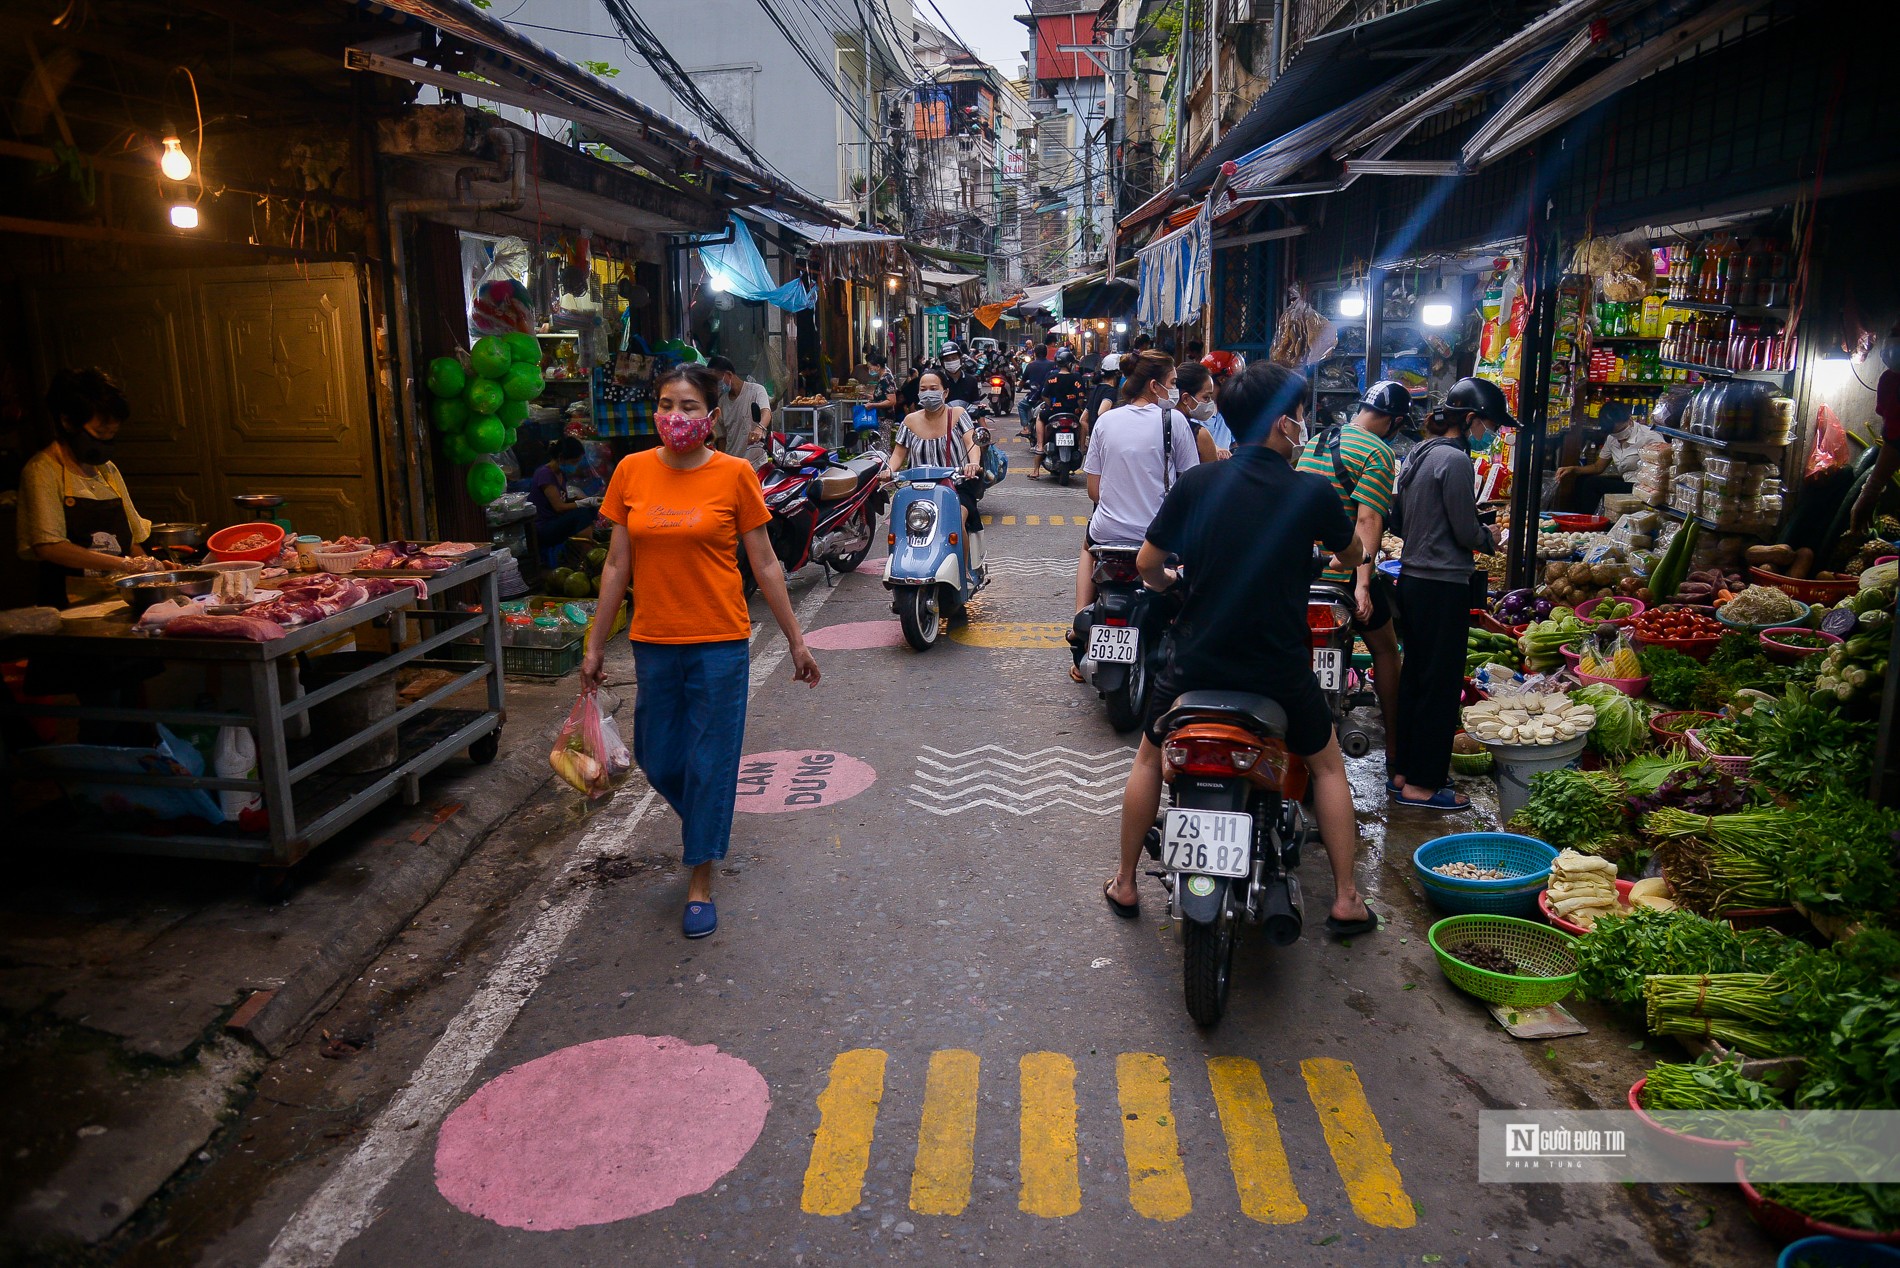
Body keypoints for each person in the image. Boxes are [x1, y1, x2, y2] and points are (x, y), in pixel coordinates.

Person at [1101, 361, 1374, 936]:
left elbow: (1149, 564)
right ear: (1282, 425)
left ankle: (1125, 881)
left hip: (1195, 663)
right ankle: (1347, 899)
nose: (1303, 427)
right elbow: (1353, 555)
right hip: (1277, 670)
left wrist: (1171, 584)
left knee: (1149, 757)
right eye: (1299, 417)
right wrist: (1327, 560)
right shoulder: (1311, 491)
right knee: (1327, 767)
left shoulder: (1199, 484)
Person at [581, 362, 821, 940]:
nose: (675, 416)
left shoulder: (736, 474)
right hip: (654, 642)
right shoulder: (631, 472)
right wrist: (594, 643)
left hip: (720, 644)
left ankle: (700, 878)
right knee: (658, 757)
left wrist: (795, 639)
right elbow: (617, 563)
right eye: (667, 404)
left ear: (711, 418)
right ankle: (706, 822)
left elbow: (764, 562)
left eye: (689, 406)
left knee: (711, 763)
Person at [1389, 377, 1514, 811]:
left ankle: (1403, 772)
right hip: (1443, 584)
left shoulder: (1418, 453)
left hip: (1413, 579)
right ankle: (1423, 785)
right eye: (1491, 425)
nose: (1491, 434)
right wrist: (1490, 533)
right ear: (1471, 418)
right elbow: (1465, 530)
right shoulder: (1456, 461)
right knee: (1441, 688)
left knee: (1417, 678)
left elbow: (1400, 521)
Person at [1070, 350, 1201, 677]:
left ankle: (1078, 623)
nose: (1174, 391)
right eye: (1172, 383)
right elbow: (1191, 487)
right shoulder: (1175, 421)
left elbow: (1094, 492)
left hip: (1108, 537)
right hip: (1158, 540)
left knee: (1087, 546)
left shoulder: (1107, 420)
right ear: (1155, 386)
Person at [1296, 379, 1409, 753]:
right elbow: (1368, 522)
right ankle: (1395, 740)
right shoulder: (1378, 453)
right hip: (1343, 576)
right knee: (1386, 649)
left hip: (1306, 572)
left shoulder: (1317, 440)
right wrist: (1361, 584)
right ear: (1393, 422)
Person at [17, 367, 164, 607]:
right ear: (67, 422)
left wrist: (152, 570)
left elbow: (130, 540)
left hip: (117, 599)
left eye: (112, 433)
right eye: (100, 432)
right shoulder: (42, 471)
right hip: (70, 605)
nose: (105, 441)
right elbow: (49, 547)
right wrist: (123, 564)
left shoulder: (107, 470)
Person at [882, 370, 985, 570]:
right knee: (901, 529)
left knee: (956, 521)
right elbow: (897, 454)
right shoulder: (910, 420)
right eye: (923, 389)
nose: (928, 393)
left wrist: (972, 464)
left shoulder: (957, 415)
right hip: (918, 490)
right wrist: (887, 471)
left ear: (945, 393)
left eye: (933, 389)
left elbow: (971, 443)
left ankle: (962, 574)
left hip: (956, 487)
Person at [1555, 402, 1652, 512]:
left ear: (1629, 419)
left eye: (1621, 430)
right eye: (1614, 433)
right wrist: (1573, 469)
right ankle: (1580, 521)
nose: (1619, 436)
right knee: (1582, 480)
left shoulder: (1649, 436)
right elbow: (1598, 467)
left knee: (1592, 484)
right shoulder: (1612, 438)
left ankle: (1589, 523)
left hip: (1643, 487)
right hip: (1626, 482)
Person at [529, 437, 602, 552]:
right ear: (561, 458)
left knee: (590, 509)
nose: (575, 466)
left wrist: (584, 500)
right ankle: (588, 553)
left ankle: (590, 545)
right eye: (573, 462)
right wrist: (582, 503)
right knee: (581, 513)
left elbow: (563, 498)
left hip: (557, 522)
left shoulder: (561, 473)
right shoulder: (545, 474)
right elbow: (559, 507)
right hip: (545, 528)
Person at [1031, 347, 1091, 479]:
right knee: (1082, 422)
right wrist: (1079, 407)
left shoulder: (1052, 378)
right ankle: (1082, 446)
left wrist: (1051, 405)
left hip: (1054, 412)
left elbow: (1044, 395)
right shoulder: (1076, 378)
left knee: (1040, 418)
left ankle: (1039, 449)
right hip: (1072, 412)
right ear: (1070, 364)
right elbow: (1081, 399)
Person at [707, 355, 773, 458]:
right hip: (734, 462)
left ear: (728, 374)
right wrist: (724, 461)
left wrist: (759, 428)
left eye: (717, 381)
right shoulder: (721, 402)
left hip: (757, 463)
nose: (716, 385)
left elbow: (766, 412)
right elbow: (722, 438)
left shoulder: (756, 390)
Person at [1172, 362, 1227, 462]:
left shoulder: (1158, 423)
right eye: (1206, 397)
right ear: (1185, 398)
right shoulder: (1199, 434)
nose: (1210, 402)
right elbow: (1212, 475)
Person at [1018, 341, 1057, 440]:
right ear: (1046, 353)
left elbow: (1022, 381)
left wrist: (1019, 388)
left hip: (1035, 397)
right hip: (1050, 397)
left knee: (1021, 405)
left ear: (1034, 353)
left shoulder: (1030, 365)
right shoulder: (1053, 365)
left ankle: (1026, 428)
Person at [936, 341, 983, 405]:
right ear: (942, 363)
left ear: (960, 359)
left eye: (954, 358)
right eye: (947, 359)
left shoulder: (971, 381)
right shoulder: (939, 381)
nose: (951, 361)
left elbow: (976, 404)